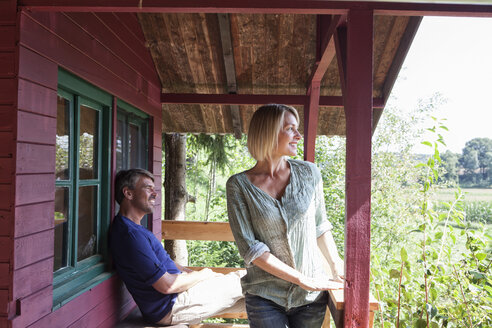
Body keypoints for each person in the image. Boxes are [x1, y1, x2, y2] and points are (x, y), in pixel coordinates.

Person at [226, 104, 345, 328]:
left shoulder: (309, 173)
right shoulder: (238, 186)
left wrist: (336, 264)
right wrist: (301, 279)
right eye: (290, 129)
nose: (298, 136)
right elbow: (252, 249)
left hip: (310, 298)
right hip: (265, 294)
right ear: (269, 133)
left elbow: (321, 225)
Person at [110, 168, 244, 326]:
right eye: (148, 188)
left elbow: (170, 264)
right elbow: (166, 286)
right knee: (252, 279)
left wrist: (194, 274)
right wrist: (203, 274)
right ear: (129, 193)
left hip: (177, 298)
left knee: (262, 299)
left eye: (155, 189)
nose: (155, 193)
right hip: (171, 306)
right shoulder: (130, 235)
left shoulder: (135, 229)